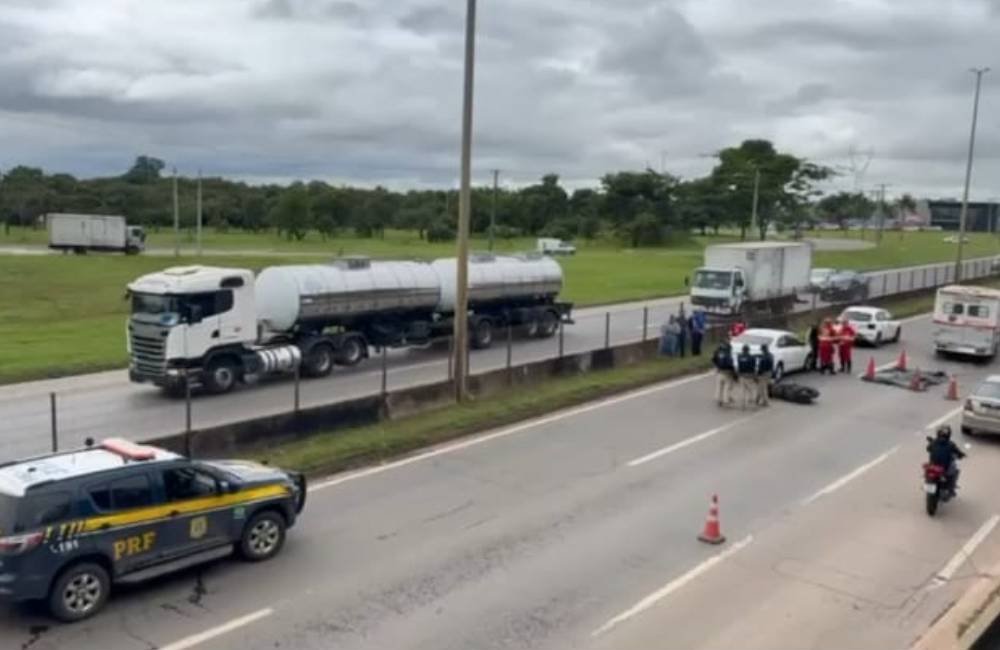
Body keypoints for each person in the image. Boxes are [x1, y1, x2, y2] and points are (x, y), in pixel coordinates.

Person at [926, 425, 966, 493]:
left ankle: (948, 488)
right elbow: (958, 452)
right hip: (944, 468)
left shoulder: (933, 442)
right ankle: (951, 488)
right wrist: (962, 455)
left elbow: (928, 449)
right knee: (955, 470)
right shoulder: (951, 444)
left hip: (933, 466)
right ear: (949, 434)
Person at [711, 342, 735, 406]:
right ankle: (726, 400)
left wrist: (717, 366)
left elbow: (713, 359)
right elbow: (730, 365)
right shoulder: (728, 355)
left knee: (719, 386)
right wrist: (733, 372)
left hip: (719, 372)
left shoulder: (718, 353)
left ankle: (719, 399)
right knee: (727, 387)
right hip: (727, 373)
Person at [736, 343, 757, 409]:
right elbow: (753, 367)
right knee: (751, 390)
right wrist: (755, 376)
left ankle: (742, 405)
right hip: (749, 376)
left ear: (743, 350)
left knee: (742, 391)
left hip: (741, 375)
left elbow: (739, 366)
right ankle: (753, 404)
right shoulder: (752, 357)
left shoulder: (739, 357)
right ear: (748, 350)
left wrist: (737, 375)